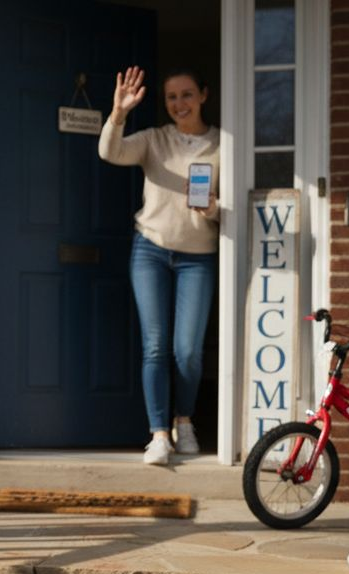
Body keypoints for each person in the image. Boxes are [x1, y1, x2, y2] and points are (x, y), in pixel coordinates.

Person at [98, 65, 220, 466]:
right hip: (150, 250)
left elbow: (235, 209)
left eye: (186, 94)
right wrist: (119, 113)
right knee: (155, 346)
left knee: (187, 352)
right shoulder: (154, 140)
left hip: (198, 256)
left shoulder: (224, 145)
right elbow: (110, 152)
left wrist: (214, 208)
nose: (179, 104)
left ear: (203, 95)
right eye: (171, 97)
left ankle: (184, 421)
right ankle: (158, 435)